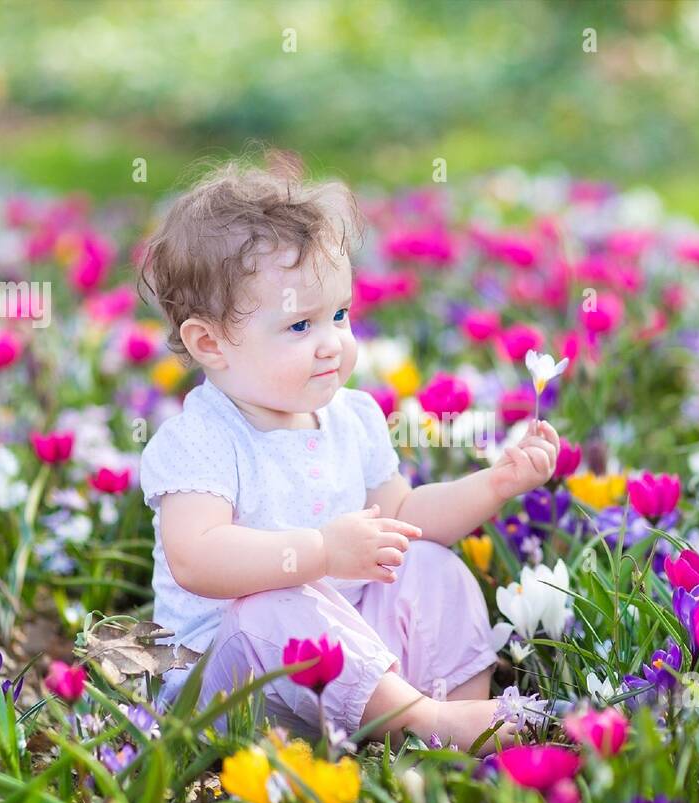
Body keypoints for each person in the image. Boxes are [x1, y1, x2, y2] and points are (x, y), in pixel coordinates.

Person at [138, 151, 560, 754]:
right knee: (270, 602)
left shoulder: (349, 417)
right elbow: (197, 559)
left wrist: (494, 484)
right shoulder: (201, 440)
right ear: (210, 343)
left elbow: (405, 513)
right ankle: (426, 722)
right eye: (299, 326)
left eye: (339, 314)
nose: (333, 342)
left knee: (429, 565)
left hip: (347, 664)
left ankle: (462, 718)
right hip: (236, 689)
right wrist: (321, 552)